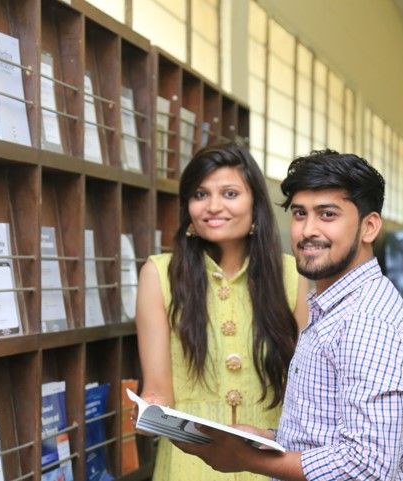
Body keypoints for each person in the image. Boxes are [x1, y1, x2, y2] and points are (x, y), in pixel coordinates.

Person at [176, 150, 403, 481]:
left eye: (327, 215)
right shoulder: (332, 308)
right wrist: (267, 439)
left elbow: (365, 467)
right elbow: (326, 432)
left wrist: (246, 460)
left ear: (369, 227)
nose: (307, 230)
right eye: (300, 214)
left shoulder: (368, 325)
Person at [135, 142, 309, 481]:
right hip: (189, 467)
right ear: (188, 208)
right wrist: (148, 411)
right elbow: (158, 391)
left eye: (230, 193)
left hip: (271, 465)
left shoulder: (293, 275)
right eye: (200, 195)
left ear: (255, 204)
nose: (213, 207)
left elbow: (305, 391)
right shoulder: (159, 274)